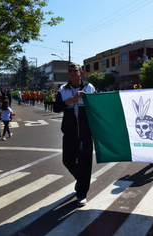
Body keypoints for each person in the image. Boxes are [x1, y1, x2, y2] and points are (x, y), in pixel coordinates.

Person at [53, 63, 95, 207]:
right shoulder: (63, 90)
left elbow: (96, 111)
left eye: (75, 71)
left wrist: (94, 132)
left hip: (86, 133)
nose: (72, 73)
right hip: (70, 133)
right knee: (67, 160)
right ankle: (81, 179)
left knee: (85, 164)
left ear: (80, 72)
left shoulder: (89, 88)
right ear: (68, 74)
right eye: (70, 71)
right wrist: (73, 98)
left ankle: (82, 194)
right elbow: (56, 108)